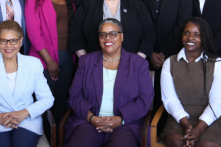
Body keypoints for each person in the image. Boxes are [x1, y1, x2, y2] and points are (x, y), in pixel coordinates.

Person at [64, 18, 154, 147]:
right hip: (89, 122)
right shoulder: (86, 62)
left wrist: (121, 119)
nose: (108, 38)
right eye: (103, 35)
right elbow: (75, 95)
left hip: (125, 125)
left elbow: (145, 99)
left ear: (121, 36)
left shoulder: (138, 64)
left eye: (113, 34)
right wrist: (92, 118)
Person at [0, 20, 54, 147]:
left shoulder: (33, 64)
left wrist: (24, 113)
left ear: (21, 41)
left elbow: (47, 98)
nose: (8, 45)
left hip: (26, 120)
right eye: (3, 40)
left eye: (13, 40)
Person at [160, 17, 221, 147]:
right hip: (181, 116)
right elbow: (170, 99)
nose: (190, 38)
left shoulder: (218, 64)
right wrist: (186, 124)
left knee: (205, 145)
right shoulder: (169, 63)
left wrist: (198, 129)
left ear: (204, 38)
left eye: (196, 34)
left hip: (213, 117)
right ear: (181, 35)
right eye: (186, 33)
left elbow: (217, 103)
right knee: (177, 142)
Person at [136, 0, 192, 110]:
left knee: (169, 98)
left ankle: (163, 133)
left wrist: (162, 53)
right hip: (146, 54)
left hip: (172, 54)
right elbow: (139, 23)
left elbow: (183, 24)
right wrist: (150, 51)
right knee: (143, 98)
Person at [25, 0, 76, 126]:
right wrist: (49, 61)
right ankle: (44, 137)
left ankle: (58, 140)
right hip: (44, 57)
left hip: (68, 57)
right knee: (46, 102)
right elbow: (33, 33)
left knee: (61, 100)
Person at [69, 0, 155, 58]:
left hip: (129, 64)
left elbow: (149, 35)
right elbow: (75, 32)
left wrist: (137, 60)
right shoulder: (88, 3)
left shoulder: (137, 6)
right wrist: (85, 60)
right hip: (94, 64)